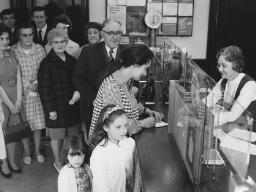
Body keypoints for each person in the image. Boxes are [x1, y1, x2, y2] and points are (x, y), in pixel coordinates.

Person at [88, 44, 162, 150]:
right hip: (105, 147)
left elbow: (127, 107)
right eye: (145, 68)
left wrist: (146, 111)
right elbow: (116, 124)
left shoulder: (125, 80)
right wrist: (142, 123)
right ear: (135, 65)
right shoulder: (112, 85)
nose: (145, 73)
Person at [73, 18, 125, 138]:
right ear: (102, 34)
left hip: (119, 109)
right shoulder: (88, 51)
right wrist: (95, 98)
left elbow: (132, 76)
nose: (114, 37)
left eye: (118, 33)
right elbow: (78, 78)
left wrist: (135, 87)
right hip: (92, 107)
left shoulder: (126, 52)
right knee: (96, 144)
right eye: (110, 33)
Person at [38, 28, 81, 172]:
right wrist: (50, 110)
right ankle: (57, 161)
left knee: (71, 136)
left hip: (71, 106)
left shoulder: (71, 60)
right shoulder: (46, 63)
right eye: (56, 42)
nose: (60, 44)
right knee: (56, 137)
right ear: (51, 43)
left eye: (63, 41)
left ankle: (70, 160)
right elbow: (44, 90)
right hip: (55, 108)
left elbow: (77, 80)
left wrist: (77, 91)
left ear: (66, 42)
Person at [11, 21, 46, 164]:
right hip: (21, 93)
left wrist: (36, 84)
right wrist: (27, 85)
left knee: (37, 124)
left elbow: (44, 69)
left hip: (37, 92)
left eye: (30, 34)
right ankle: (26, 151)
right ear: (19, 36)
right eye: (24, 35)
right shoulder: (13, 50)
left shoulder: (39, 49)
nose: (28, 38)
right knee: (24, 124)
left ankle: (37, 149)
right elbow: (12, 73)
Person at [90, 104, 141, 192]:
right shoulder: (98, 154)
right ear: (106, 127)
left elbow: (136, 169)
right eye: (118, 127)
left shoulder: (130, 143)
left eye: (125, 125)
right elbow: (101, 187)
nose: (124, 130)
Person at [204, 45, 256, 130]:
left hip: (247, 132)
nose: (220, 69)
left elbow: (233, 115)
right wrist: (199, 109)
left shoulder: (249, 85)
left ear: (236, 65)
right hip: (231, 128)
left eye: (224, 66)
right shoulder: (223, 81)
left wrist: (208, 118)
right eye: (218, 65)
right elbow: (209, 100)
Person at [0, 23, 24, 174]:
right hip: (2, 99)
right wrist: (10, 104)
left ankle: (12, 160)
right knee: (2, 134)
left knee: (13, 132)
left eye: (7, 38)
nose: (5, 41)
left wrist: (19, 100)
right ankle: (3, 164)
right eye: (1, 38)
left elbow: (18, 76)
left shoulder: (12, 54)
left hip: (15, 94)